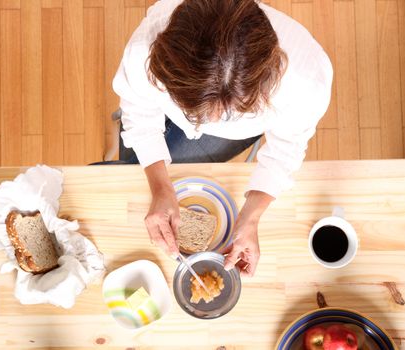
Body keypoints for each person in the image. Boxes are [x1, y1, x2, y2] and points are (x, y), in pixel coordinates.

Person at [112, 0, 333, 277]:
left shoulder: (306, 80)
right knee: (126, 171)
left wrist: (250, 218)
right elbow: (138, 107)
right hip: (156, 103)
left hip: (231, 136)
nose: (211, 122)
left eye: (229, 111)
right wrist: (160, 187)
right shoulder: (144, 48)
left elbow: (285, 149)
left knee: (125, 173)